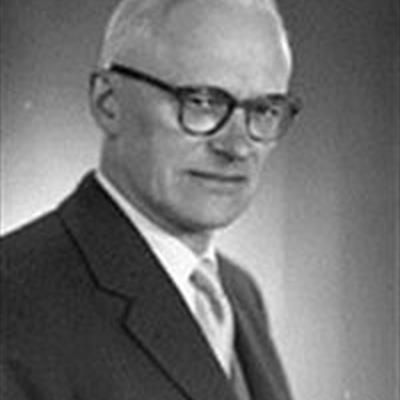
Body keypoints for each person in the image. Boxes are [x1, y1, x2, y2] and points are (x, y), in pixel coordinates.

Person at [0, 0, 301, 399]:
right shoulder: (14, 297)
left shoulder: (239, 293)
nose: (237, 147)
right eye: (202, 102)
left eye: (264, 109)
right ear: (108, 102)